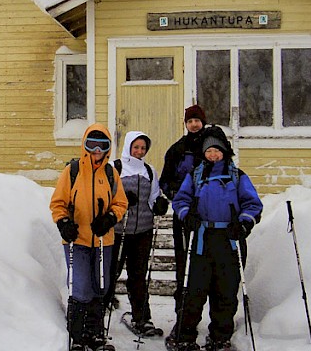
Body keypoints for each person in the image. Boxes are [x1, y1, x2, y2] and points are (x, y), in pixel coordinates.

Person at [169, 126, 263, 351]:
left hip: (229, 239)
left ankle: (220, 336)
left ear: (224, 151)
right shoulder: (196, 175)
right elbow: (180, 200)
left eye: (217, 150)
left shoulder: (236, 175)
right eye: (209, 151)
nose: (213, 155)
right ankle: (185, 336)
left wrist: (243, 223)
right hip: (202, 238)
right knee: (194, 290)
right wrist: (186, 216)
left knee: (225, 291)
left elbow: (252, 204)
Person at [50, 123, 129, 351]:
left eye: (101, 145)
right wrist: (64, 223)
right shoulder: (72, 171)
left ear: (108, 148)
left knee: (100, 287)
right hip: (78, 241)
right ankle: (77, 335)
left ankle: (96, 334)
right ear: (85, 146)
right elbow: (58, 203)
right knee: (81, 287)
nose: (96, 150)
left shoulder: (111, 173)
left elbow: (120, 202)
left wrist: (110, 218)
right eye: (91, 145)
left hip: (104, 240)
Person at [105, 131, 169, 336]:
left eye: (143, 148)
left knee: (138, 277)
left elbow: (153, 197)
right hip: (117, 230)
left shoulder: (149, 171)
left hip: (142, 230)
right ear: (128, 146)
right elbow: (106, 196)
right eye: (136, 147)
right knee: (110, 272)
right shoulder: (116, 168)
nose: (139, 151)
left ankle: (142, 318)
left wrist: (159, 204)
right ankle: (97, 313)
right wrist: (122, 198)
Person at [160, 105, 208, 346]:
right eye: (191, 121)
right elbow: (165, 180)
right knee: (184, 264)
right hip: (184, 215)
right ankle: (183, 316)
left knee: (204, 265)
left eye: (198, 121)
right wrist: (176, 197)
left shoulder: (213, 146)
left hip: (208, 216)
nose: (194, 125)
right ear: (185, 123)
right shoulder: (178, 149)